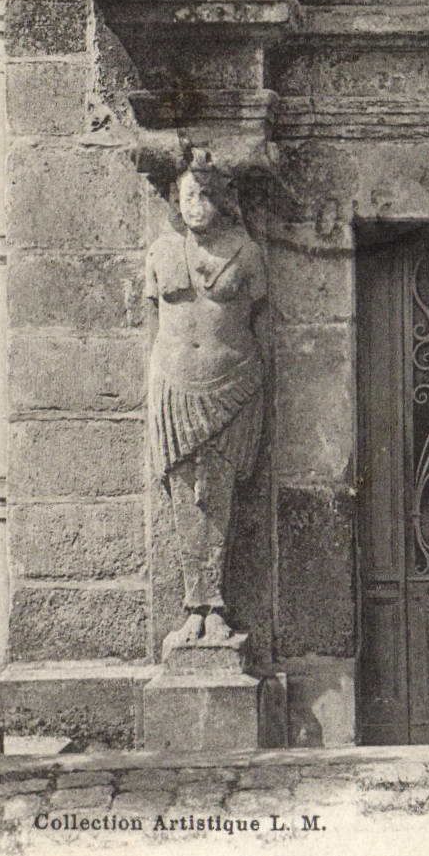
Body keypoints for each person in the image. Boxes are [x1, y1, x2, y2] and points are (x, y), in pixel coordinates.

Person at [146, 152, 267, 648]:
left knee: (217, 492)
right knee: (182, 494)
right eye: (187, 195)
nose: (196, 205)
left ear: (222, 200)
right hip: (174, 385)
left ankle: (213, 604)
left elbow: (261, 326)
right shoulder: (159, 252)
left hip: (232, 382)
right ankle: (192, 604)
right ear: (176, 198)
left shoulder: (247, 252)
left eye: (205, 195)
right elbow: (154, 325)